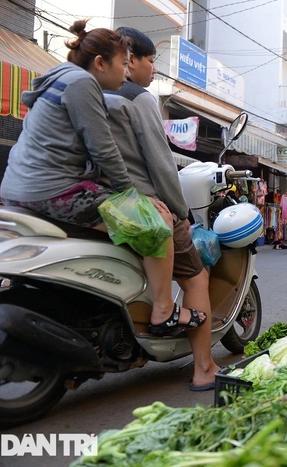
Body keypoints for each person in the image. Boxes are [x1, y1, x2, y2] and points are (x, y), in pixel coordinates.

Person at [0, 20, 200, 338]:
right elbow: (104, 150)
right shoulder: (82, 84)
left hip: (16, 189)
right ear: (100, 63)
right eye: (122, 64)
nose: (125, 72)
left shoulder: (58, 77)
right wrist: (134, 199)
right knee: (155, 224)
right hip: (54, 190)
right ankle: (163, 311)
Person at [104, 27, 218, 390]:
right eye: (151, 60)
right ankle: (204, 368)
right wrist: (181, 210)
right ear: (130, 59)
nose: (154, 69)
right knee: (196, 277)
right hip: (145, 205)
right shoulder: (140, 99)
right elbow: (162, 163)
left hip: (103, 203)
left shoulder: (93, 94)